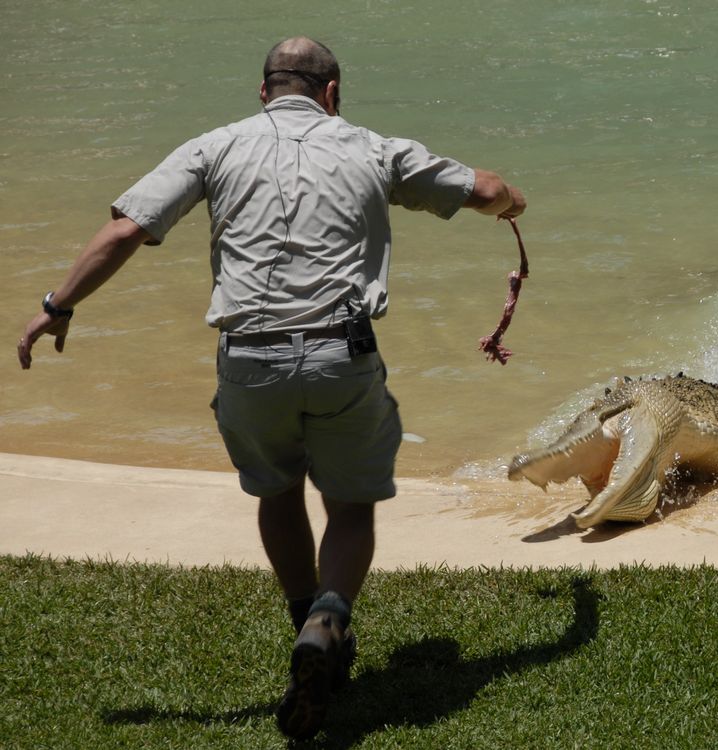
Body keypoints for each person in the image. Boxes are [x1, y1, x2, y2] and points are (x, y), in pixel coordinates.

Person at [16, 36, 525, 740]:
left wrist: (57, 305)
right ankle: (328, 619)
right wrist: (513, 209)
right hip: (340, 356)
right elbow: (488, 190)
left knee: (278, 492)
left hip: (247, 360)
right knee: (349, 506)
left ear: (263, 92)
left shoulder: (214, 147)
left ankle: (303, 623)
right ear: (334, 92)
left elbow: (126, 230)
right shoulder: (373, 148)